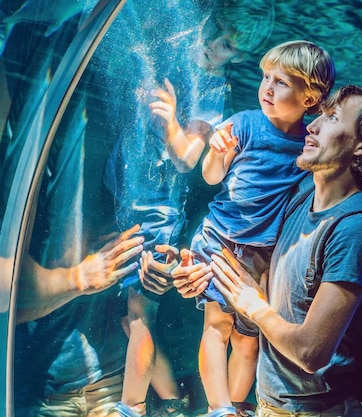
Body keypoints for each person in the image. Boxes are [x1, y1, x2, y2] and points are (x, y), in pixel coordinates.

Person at [103, 2, 275, 416]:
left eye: (229, 47)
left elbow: (187, 158)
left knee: (140, 316)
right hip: (135, 205)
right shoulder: (181, 56)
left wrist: (168, 121)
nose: (214, 47)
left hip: (156, 214)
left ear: (238, 56)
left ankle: (130, 408)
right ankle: (173, 404)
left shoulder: (213, 88)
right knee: (131, 320)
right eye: (216, 32)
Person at [208, 84, 362, 416]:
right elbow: (272, 287)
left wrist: (254, 306)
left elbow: (310, 352)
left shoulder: (357, 230)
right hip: (272, 405)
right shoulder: (301, 197)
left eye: (332, 118)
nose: (312, 126)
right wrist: (203, 274)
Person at [177, 40, 335, 417]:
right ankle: (219, 409)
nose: (267, 86)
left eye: (282, 82)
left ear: (310, 97)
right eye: (266, 77)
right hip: (222, 238)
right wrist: (217, 152)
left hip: (266, 253)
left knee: (249, 339)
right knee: (217, 323)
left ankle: (236, 404)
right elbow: (212, 178)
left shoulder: (308, 142)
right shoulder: (243, 124)